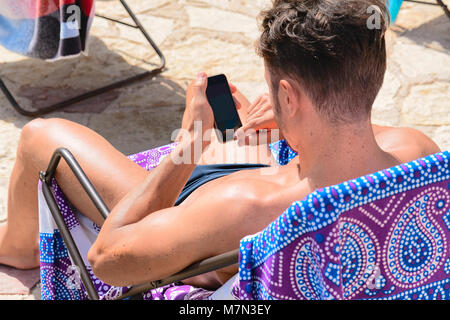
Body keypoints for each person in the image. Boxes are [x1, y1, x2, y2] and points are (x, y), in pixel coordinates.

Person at [0, 0, 441, 290]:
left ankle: (15, 249)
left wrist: (188, 146)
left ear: (289, 95)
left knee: (43, 136)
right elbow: (345, 122)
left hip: (197, 217)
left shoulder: (244, 207)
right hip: (257, 181)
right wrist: (293, 123)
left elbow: (107, 259)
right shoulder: (417, 152)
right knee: (234, 140)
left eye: (278, 93)